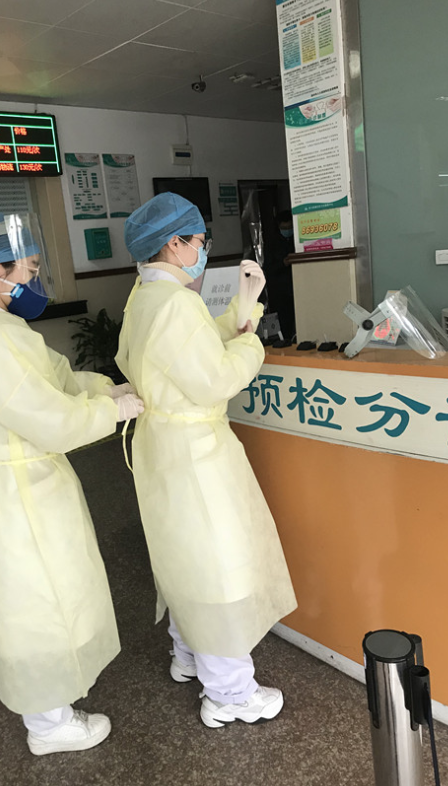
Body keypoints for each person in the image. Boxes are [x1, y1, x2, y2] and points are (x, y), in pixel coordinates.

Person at [0, 211, 144, 755]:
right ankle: (49, 725)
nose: (34, 279)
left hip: (21, 484)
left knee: (47, 592)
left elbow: (53, 379)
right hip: (18, 493)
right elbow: (49, 418)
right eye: (29, 269)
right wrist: (113, 411)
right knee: (34, 602)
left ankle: (53, 706)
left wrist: (104, 389)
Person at [116, 193, 297, 729]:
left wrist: (243, 310)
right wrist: (252, 343)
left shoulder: (144, 296)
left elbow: (187, 349)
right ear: (174, 244)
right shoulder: (174, 304)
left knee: (184, 556)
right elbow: (215, 376)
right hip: (195, 452)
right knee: (218, 565)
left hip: (165, 447)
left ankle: (188, 653)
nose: (203, 249)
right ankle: (230, 693)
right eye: (198, 240)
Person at [265, 209, 296, 341]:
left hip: (296, 285)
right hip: (279, 289)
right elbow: (268, 268)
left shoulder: (296, 240)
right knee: (284, 320)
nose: (287, 230)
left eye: (289, 227)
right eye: (284, 228)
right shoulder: (272, 243)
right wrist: (283, 263)